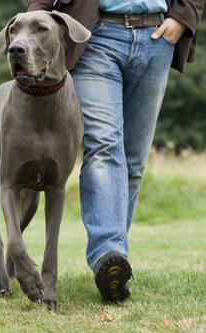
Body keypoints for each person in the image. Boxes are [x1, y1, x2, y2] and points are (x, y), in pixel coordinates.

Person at [27, 0, 204, 301]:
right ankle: (108, 254)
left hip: (156, 36)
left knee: (133, 160)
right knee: (104, 145)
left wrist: (183, 16)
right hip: (95, 35)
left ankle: (114, 269)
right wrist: (34, 22)